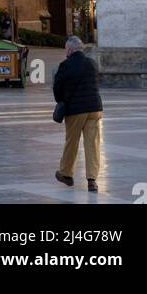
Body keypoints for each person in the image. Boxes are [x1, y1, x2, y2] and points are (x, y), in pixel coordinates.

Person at [53, 36, 103, 192]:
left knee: (72, 142)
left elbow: (57, 88)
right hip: (95, 108)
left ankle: (66, 173)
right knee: (92, 144)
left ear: (69, 50)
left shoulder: (65, 65)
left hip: (75, 110)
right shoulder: (92, 64)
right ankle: (92, 180)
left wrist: (61, 101)